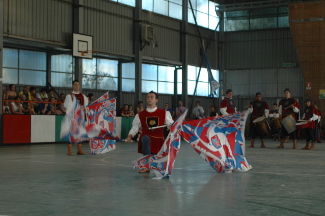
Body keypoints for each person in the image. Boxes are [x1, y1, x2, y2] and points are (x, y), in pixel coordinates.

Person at [125, 91, 174, 173]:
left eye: (151, 97)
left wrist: (171, 126)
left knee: (158, 165)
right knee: (145, 138)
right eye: (148, 97)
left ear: (156, 100)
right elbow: (135, 127)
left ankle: (153, 164)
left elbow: (172, 125)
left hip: (159, 140)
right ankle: (146, 165)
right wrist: (129, 136)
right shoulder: (140, 114)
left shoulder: (164, 113)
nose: (149, 98)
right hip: (146, 138)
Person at [64, 80, 89, 156]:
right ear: (72, 86)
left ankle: (79, 150)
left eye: (78, 84)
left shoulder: (83, 96)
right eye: (75, 84)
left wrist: (84, 109)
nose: (77, 86)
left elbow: (86, 107)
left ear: (79, 86)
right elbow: (67, 107)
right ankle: (69, 150)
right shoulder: (69, 96)